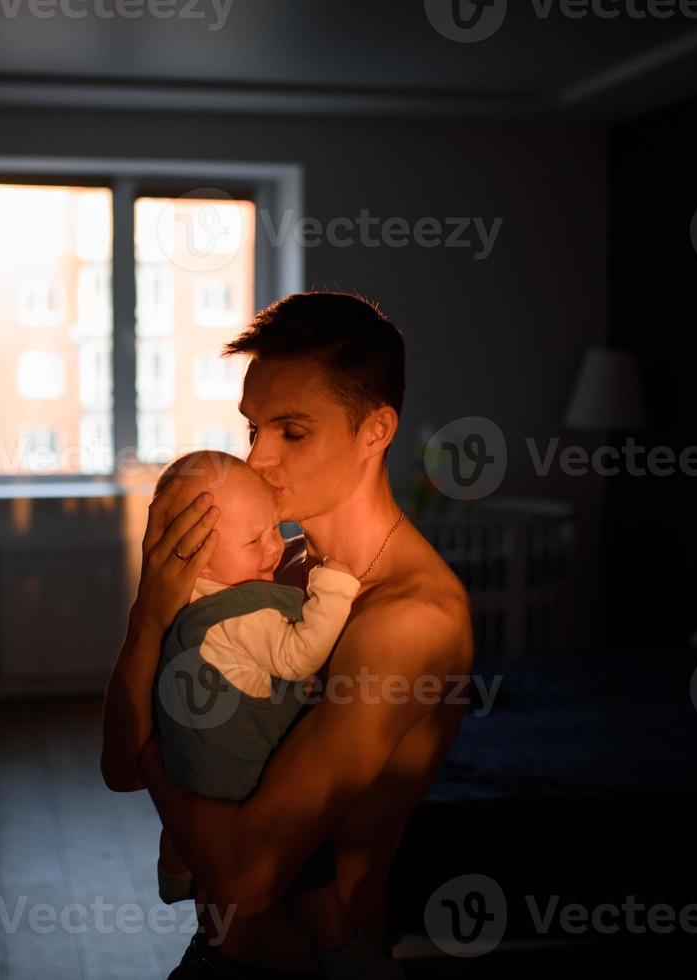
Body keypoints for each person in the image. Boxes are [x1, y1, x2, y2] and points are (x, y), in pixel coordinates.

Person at [102, 291, 474, 978]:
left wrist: (155, 749)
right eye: (252, 429)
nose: (260, 458)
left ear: (376, 431)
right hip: (213, 953)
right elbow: (116, 768)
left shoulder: (408, 617)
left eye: (292, 431)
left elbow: (249, 875)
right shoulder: (280, 568)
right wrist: (148, 618)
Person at [149, 448, 385, 978]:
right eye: (254, 541)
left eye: (276, 529)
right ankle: (347, 956)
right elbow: (300, 652)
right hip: (246, 784)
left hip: (191, 773)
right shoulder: (244, 614)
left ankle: (176, 869)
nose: (275, 546)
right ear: (202, 559)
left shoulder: (188, 607)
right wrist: (336, 583)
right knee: (310, 872)